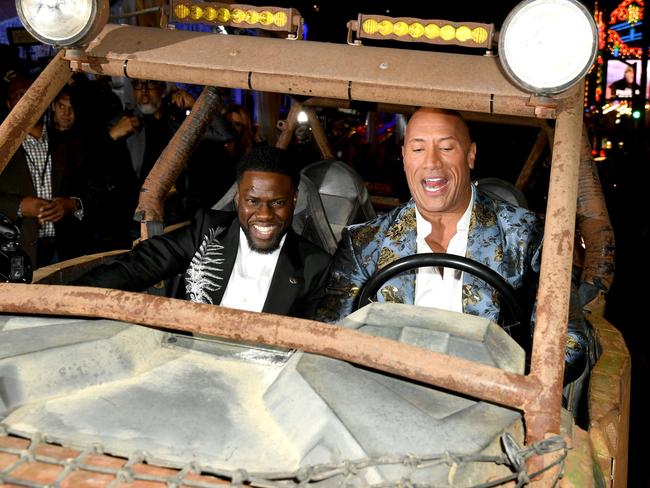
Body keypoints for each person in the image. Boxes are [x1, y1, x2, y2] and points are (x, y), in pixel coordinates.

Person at [315, 107, 592, 384]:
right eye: (418, 149)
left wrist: (508, 383)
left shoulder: (528, 237)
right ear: (403, 157)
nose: (432, 162)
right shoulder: (365, 243)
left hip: (491, 400)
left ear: (471, 155)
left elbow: (568, 343)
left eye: (446, 147)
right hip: (386, 396)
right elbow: (331, 334)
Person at [70, 146, 331, 319]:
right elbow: (137, 265)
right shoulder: (208, 230)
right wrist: (66, 301)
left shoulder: (313, 265)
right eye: (253, 201)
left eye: (278, 202)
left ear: (294, 200)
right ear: (238, 199)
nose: (264, 215)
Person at [0, 74, 86, 268]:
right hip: (16, 253)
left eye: (34, 95)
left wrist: (72, 204)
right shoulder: (2, 148)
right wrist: (19, 206)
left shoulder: (71, 143)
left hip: (66, 252)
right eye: (20, 95)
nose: (27, 102)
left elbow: (97, 191)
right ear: (8, 104)